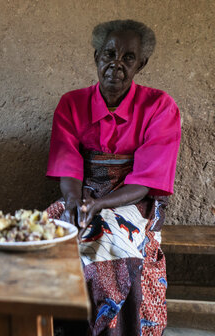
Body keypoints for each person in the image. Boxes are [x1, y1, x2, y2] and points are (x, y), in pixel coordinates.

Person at [46, 20, 180, 335]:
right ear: (96, 56)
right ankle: (61, 325)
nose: (116, 64)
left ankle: (109, 327)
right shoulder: (72, 104)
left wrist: (101, 205)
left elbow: (146, 181)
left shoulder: (160, 106)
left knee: (106, 237)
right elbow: (68, 166)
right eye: (109, 54)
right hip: (85, 192)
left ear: (141, 64)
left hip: (135, 199)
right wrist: (73, 201)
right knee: (51, 229)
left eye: (128, 58)